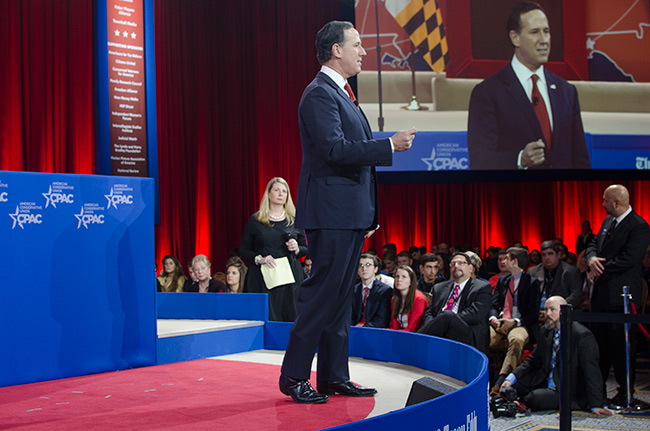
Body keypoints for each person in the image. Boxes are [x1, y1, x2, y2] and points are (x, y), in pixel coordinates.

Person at [279, 20, 416, 404]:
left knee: (341, 301)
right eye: (356, 45)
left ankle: (333, 375)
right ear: (336, 50)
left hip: (349, 214)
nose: (363, 51)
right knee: (322, 296)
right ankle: (292, 376)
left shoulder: (342, 93)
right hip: (331, 213)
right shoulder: (319, 94)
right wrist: (388, 146)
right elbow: (335, 150)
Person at [467, 1, 591, 170]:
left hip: (561, 194)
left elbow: (581, 161)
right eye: (535, 32)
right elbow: (480, 161)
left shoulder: (567, 92)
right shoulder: (487, 93)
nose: (544, 40)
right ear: (515, 38)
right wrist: (520, 159)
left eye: (546, 32)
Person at [586, 184, 650, 407]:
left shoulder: (639, 226)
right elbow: (593, 243)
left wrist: (599, 268)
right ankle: (597, 390)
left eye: (605, 200)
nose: (602, 204)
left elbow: (630, 259)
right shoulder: (606, 222)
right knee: (600, 347)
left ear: (616, 203)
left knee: (621, 347)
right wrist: (591, 259)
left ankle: (625, 392)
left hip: (622, 298)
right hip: (601, 296)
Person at [501, 296, 613, 415]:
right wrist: (510, 378)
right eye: (545, 309)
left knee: (534, 398)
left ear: (563, 311)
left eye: (552, 310)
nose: (547, 314)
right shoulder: (546, 331)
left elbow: (591, 371)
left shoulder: (581, 335)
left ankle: (525, 400)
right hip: (546, 380)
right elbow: (533, 360)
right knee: (513, 387)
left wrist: (596, 405)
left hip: (567, 389)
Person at [240, 177, 307, 322]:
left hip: (290, 278)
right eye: (276, 190)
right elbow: (244, 250)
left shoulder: (294, 220)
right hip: (263, 277)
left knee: (290, 317)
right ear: (268, 194)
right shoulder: (256, 220)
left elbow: (305, 249)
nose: (281, 194)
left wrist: (296, 248)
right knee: (266, 317)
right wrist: (260, 259)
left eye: (284, 191)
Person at [418, 253, 492, 354]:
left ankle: (412, 344)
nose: (456, 266)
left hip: (468, 332)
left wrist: (448, 321)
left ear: (471, 268)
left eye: (461, 263)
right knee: (445, 317)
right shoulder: (439, 288)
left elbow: (475, 314)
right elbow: (428, 312)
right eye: (453, 264)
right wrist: (436, 324)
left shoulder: (482, 287)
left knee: (447, 315)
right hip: (441, 329)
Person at [490, 247, 540, 390]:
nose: (503, 261)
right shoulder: (503, 280)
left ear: (515, 261)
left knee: (516, 339)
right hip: (500, 322)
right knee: (482, 335)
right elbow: (493, 304)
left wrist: (514, 322)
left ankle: (503, 380)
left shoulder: (532, 282)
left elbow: (533, 315)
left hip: (520, 323)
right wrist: (493, 318)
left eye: (507, 258)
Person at [528, 240, 582, 308]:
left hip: (562, 312)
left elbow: (576, 296)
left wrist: (556, 308)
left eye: (550, 254)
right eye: (543, 254)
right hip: (538, 312)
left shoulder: (571, 272)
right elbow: (528, 295)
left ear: (559, 255)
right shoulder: (533, 271)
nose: (546, 258)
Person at [352, 253, 392, 328]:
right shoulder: (353, 290)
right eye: (361, 265)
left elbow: (382, 320)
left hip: (374, 331)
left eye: (368, 265)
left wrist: (363, 328)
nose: (364, 269)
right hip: (354, 331)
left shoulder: (385, 291)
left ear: (375, 269)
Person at [390, 266, 428, 332]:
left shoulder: (419, 299)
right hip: (400, 334)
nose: (399, 280)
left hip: (415, 336)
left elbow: (412, 329)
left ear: (411, 281)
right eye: (397, 276)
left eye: (404, 277)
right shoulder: (394, 299)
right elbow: (394, 327)